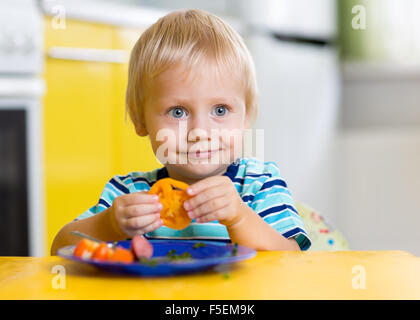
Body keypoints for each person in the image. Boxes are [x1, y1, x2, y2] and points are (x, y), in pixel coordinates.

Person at [51, 9, 311, 255]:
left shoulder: (259, 184)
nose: (199, 132)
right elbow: (60, 249)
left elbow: (291, 260)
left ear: (246, 117)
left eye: (220, 110)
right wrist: (109, 225)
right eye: (178, 112)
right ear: (139, 119)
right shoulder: (128, 192)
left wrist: (240, 217)